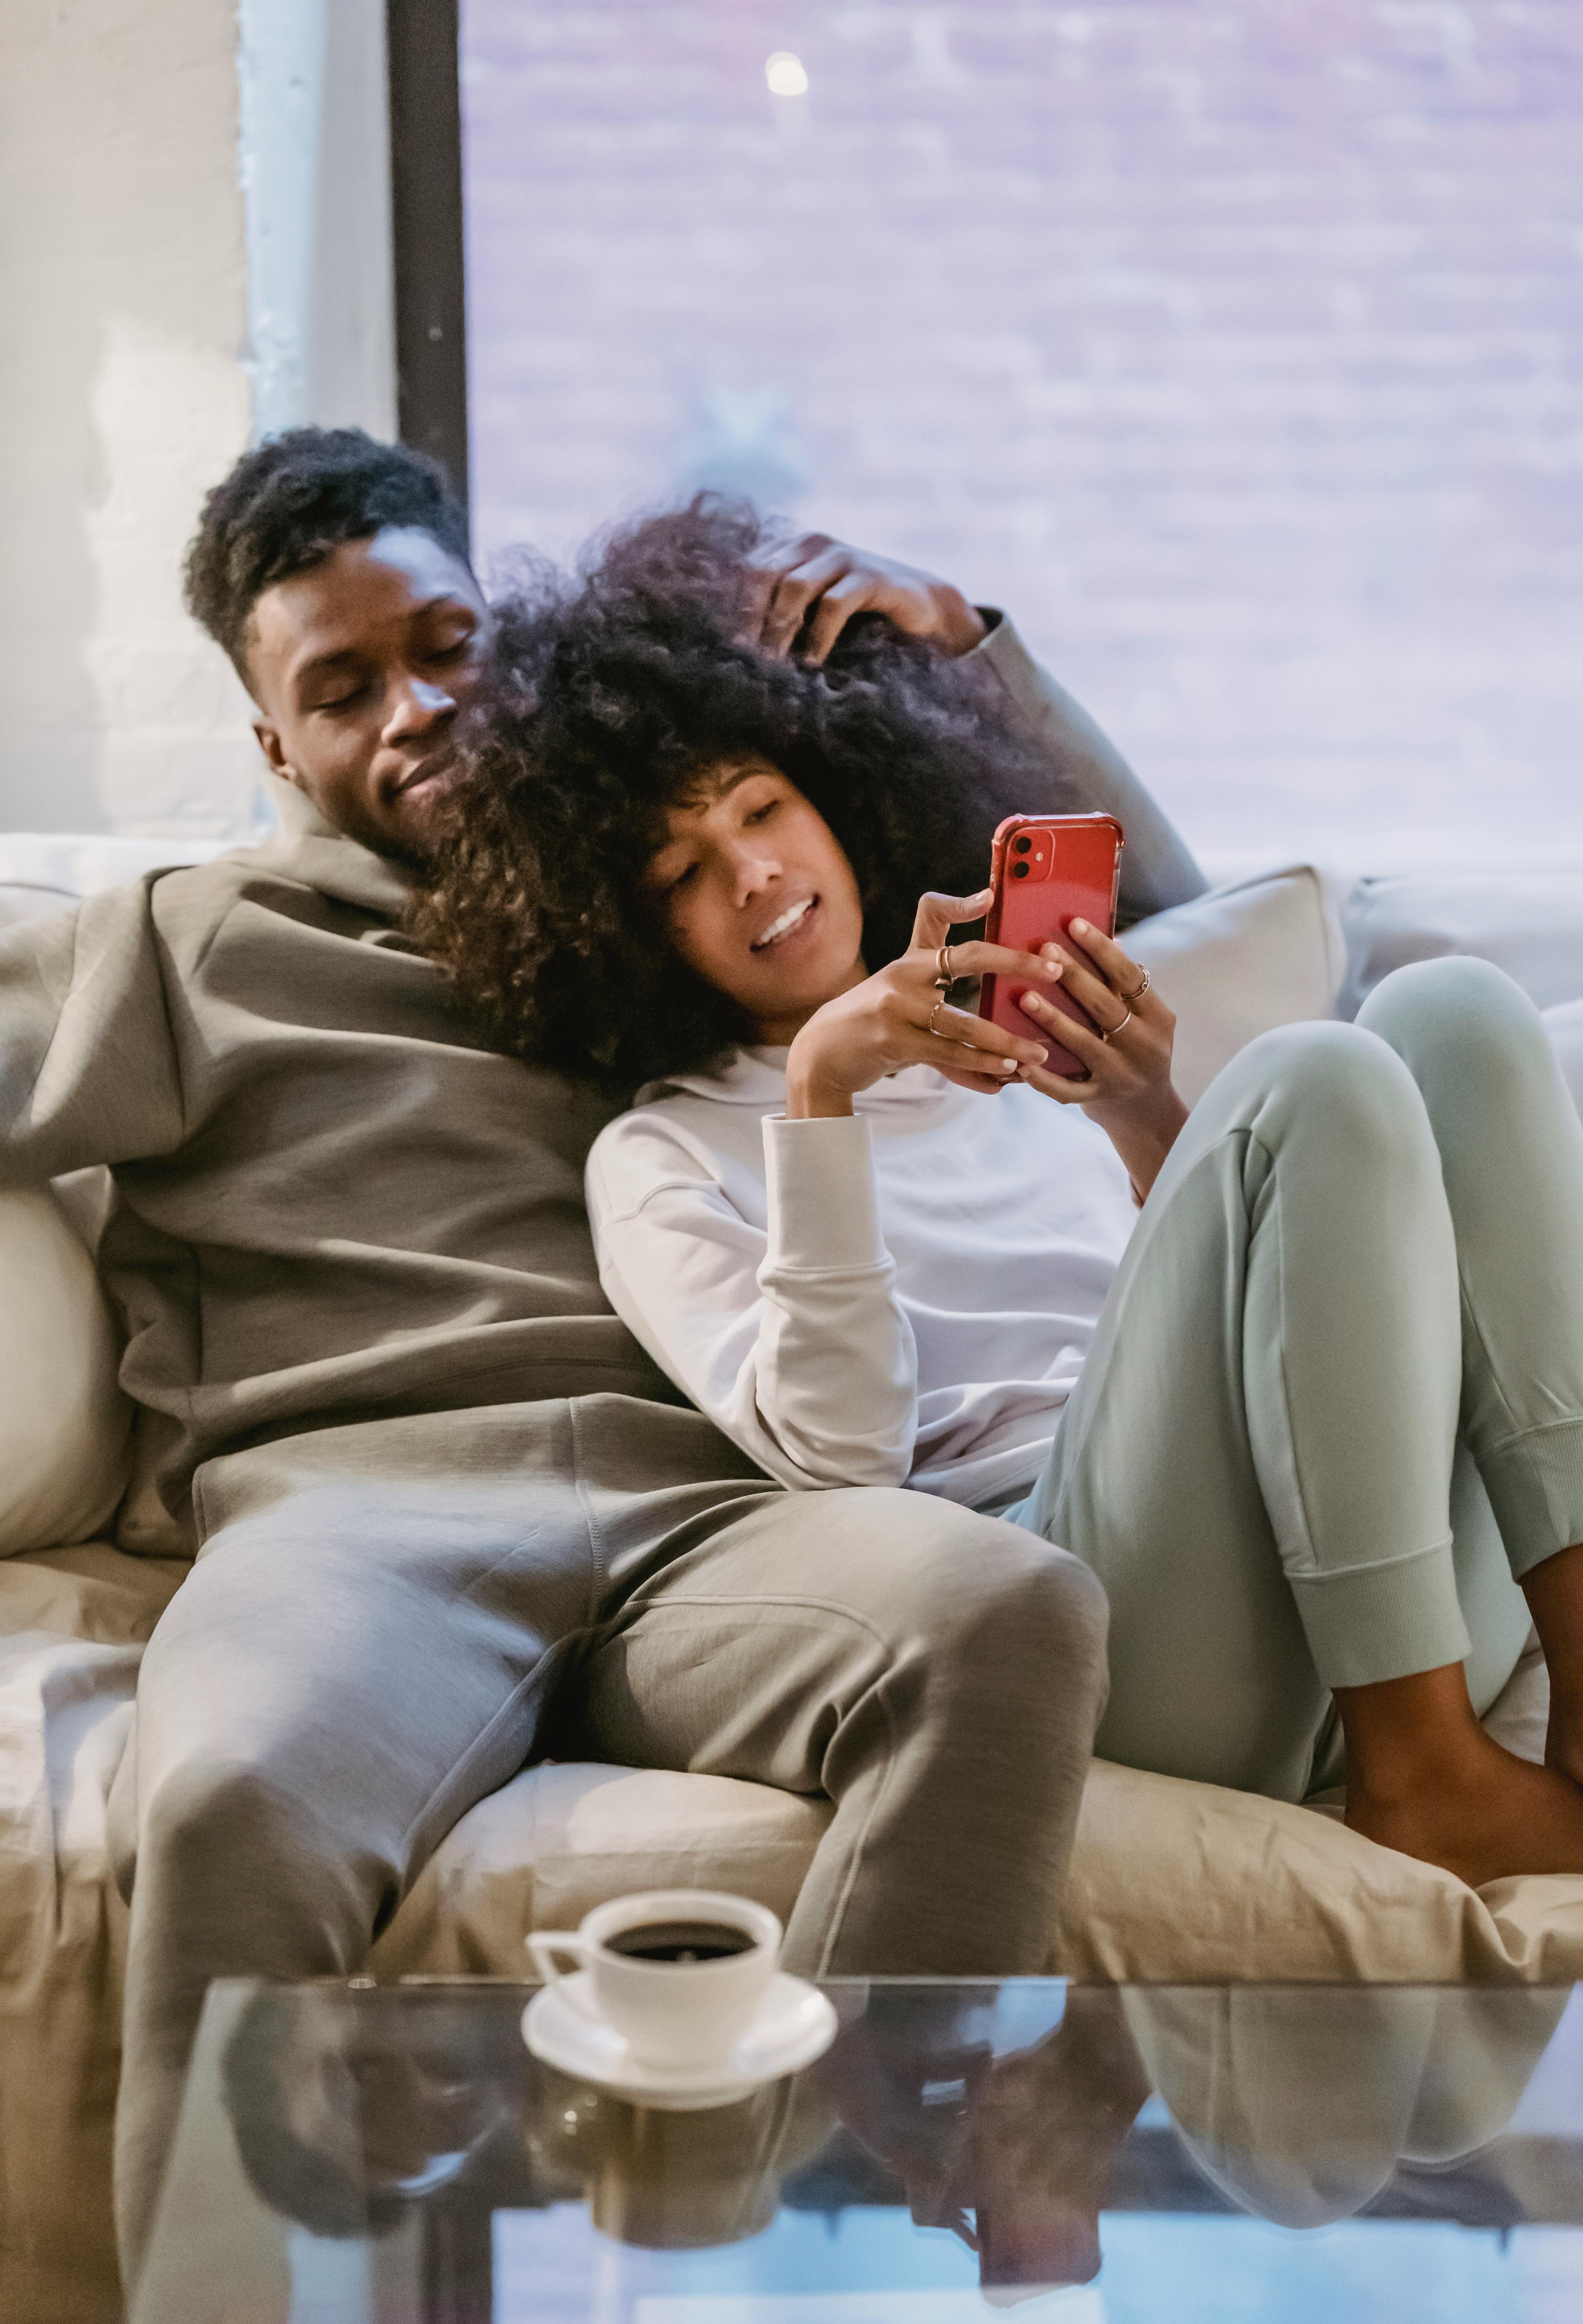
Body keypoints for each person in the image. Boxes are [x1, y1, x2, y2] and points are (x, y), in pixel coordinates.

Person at [0, 429, 1199, 2285]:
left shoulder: (651, 900)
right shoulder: (188, 941)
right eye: (340, 689)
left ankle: (827, 2244)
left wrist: (963, 645)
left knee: (1001, 1604)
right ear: (273, 746)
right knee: (232, 1800)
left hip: (713, 1509)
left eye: (444, 645)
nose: (414, 711)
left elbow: (1162, 916)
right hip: (362, 1519)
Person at [416, 501, 1583, 1901]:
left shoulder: (1022, 1039)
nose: (756, 872)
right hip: (1123, 1626)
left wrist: (1140, 1108)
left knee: (1452, 1008)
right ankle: (1425, 1774)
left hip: (1372, 1572)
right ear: (619, 929)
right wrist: (823, 1101)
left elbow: (1281, 1341)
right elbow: (840, 1467)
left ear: (832, 792)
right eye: (683, 872)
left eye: (763, 807)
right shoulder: (665, 1156)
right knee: (1320, 1077)